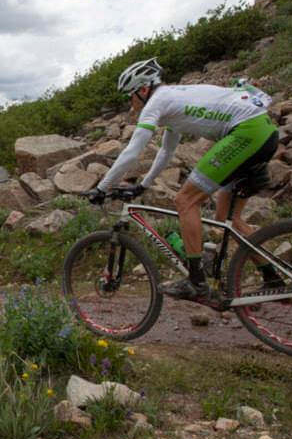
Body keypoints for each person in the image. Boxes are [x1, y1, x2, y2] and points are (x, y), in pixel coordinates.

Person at [90, 58, 281, 300]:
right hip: (264, 133)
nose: (129, 102)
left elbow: (132, 153)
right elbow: (166, 151)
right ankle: (273, 278)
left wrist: (101, 188)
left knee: (185, 201)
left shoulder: (156, 103)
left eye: (130, 95)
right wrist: (144, 184)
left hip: (246, 133)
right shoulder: (174, 100)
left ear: (144, 89)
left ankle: (197, 283)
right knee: (227, 218)